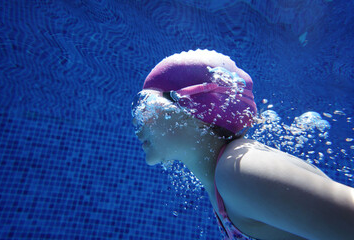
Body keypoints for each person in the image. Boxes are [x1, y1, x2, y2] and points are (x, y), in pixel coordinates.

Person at [131, 49, 354, 240]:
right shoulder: (225, 178)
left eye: (147, 106)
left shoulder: (240, 171)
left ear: (193, 110)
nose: (139, 120)